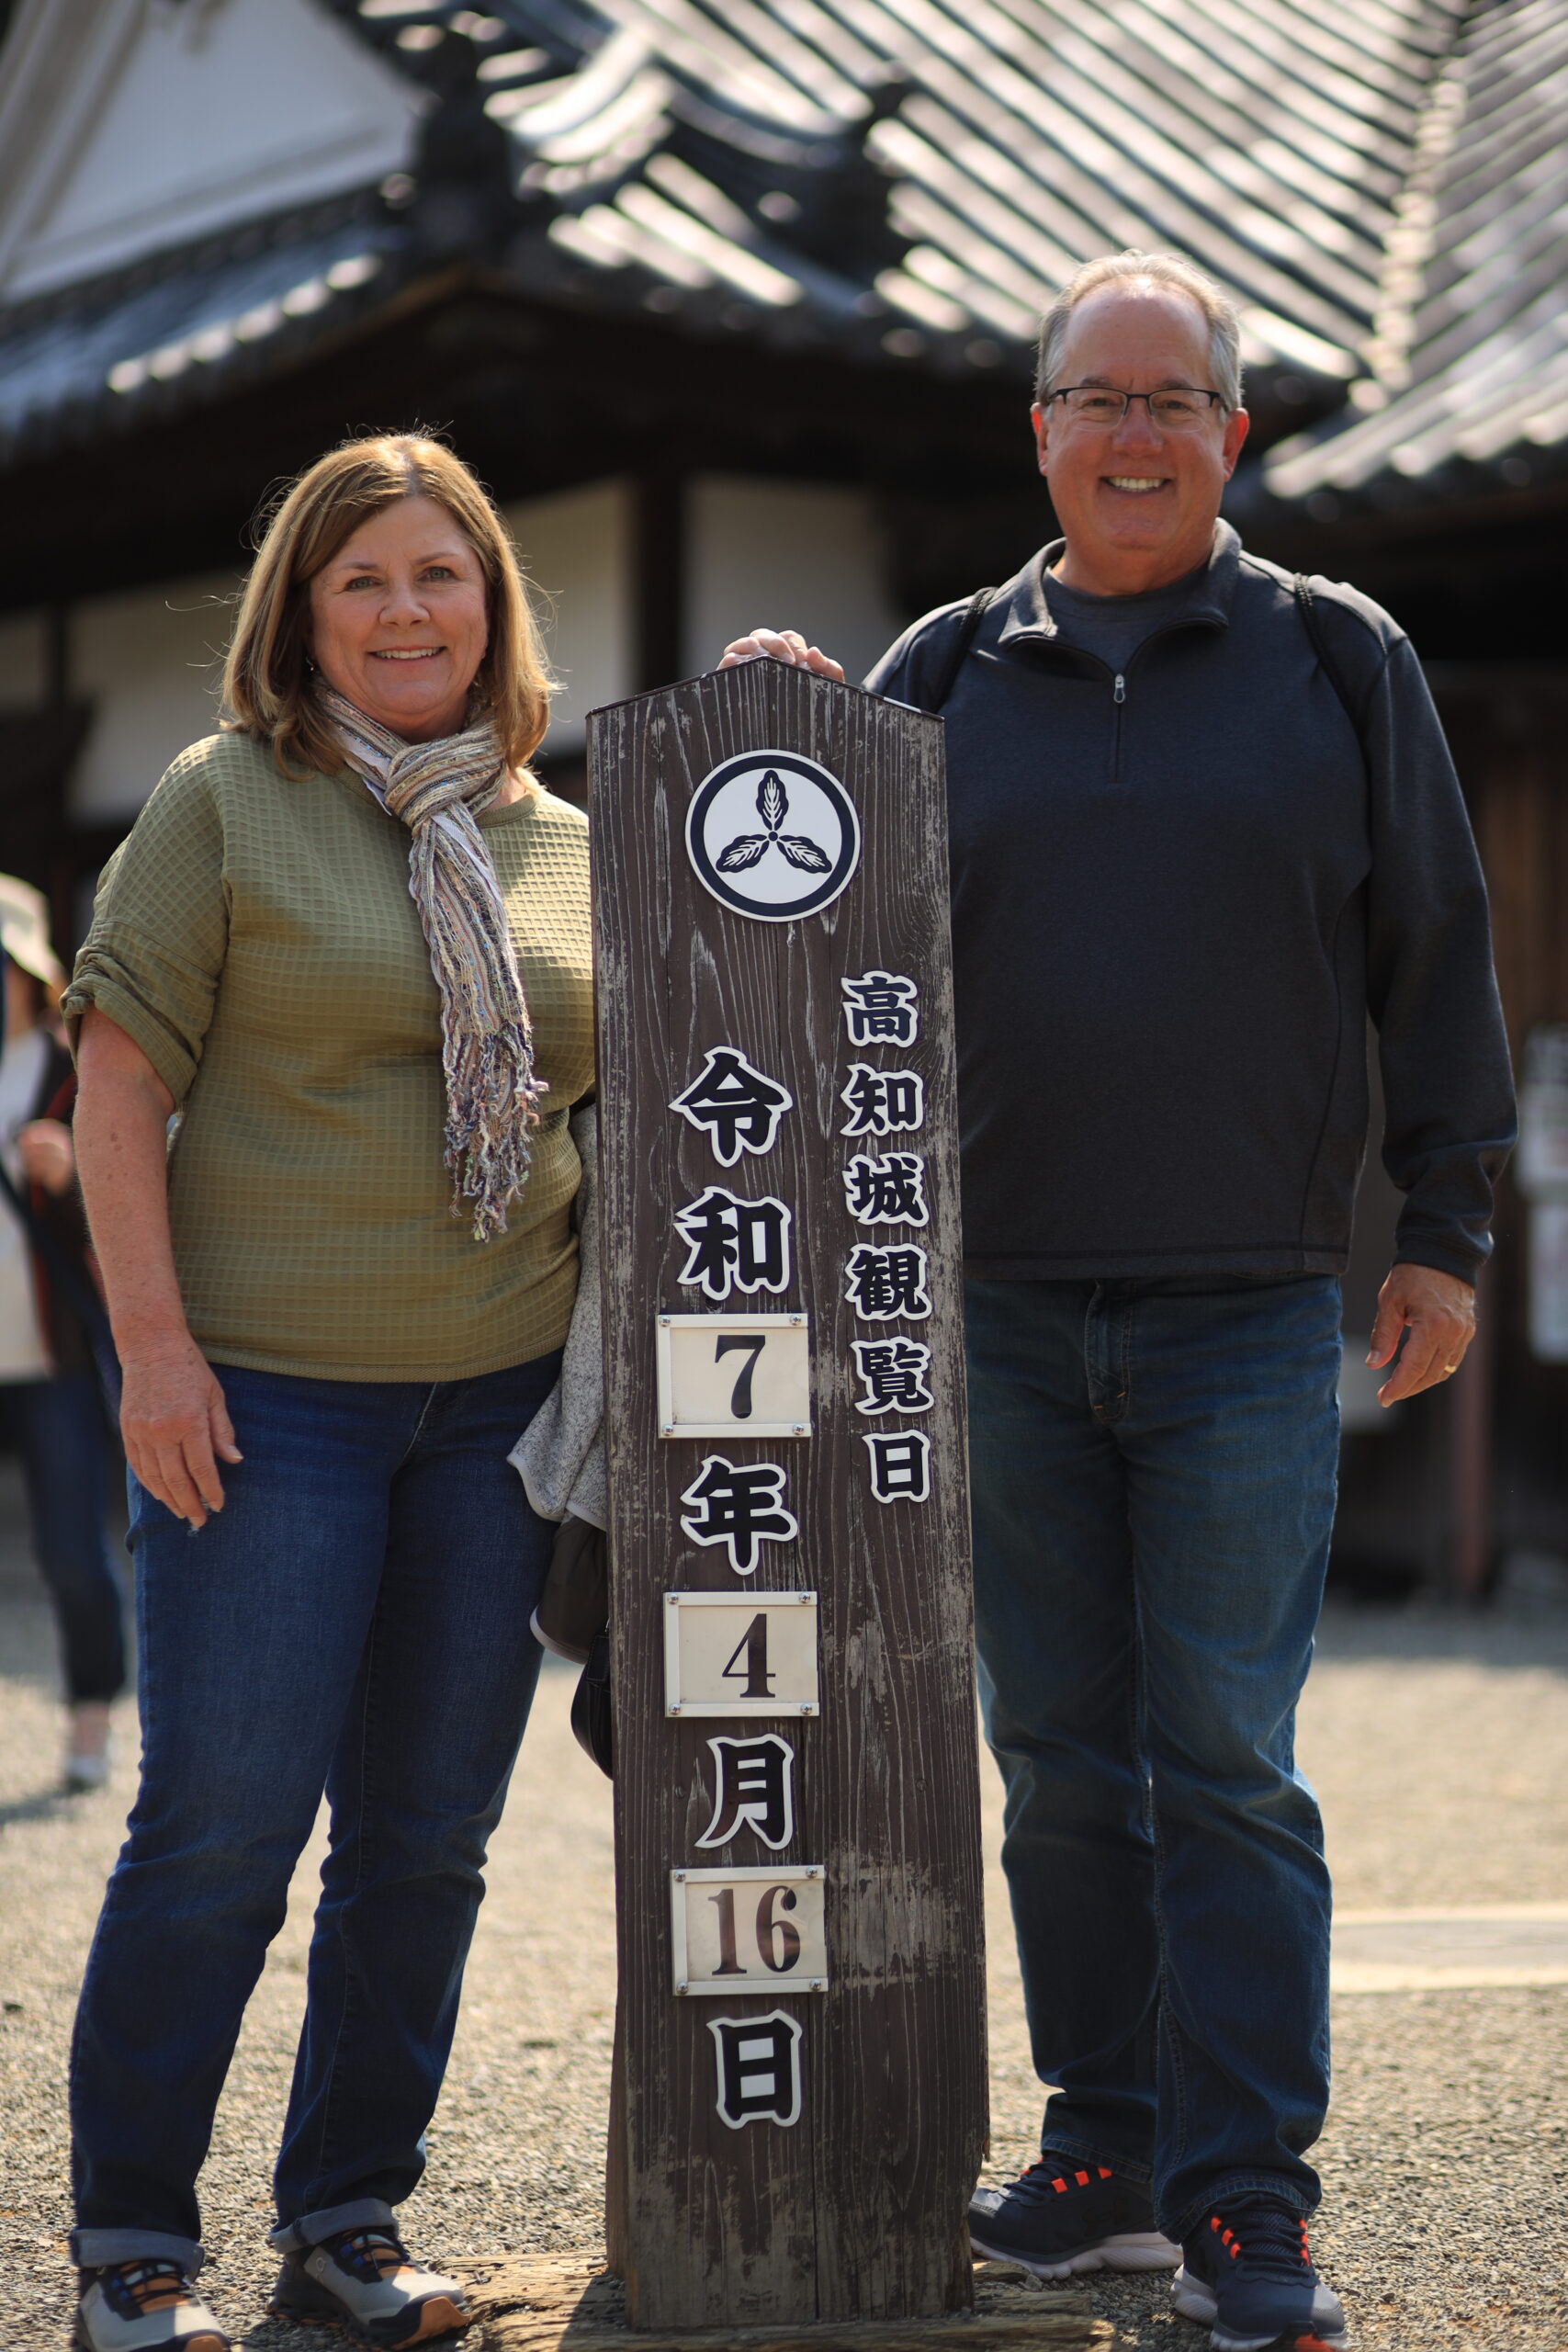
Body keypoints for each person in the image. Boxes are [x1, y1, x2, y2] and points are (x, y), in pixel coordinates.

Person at [721, 250, 1516, 2352]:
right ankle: (1100, 2148)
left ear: (1230, 435)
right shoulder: (942, 664)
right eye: (1098, 396)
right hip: (984, 1304)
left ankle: (1244, 2190)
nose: (1135, 432)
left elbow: (1433, 948)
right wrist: (772, 720)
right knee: (1058, 1751)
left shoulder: (1333, 658)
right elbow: (789, 915)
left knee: (1223, 1754)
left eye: (1175, 397)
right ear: (1039, 433)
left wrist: (1441, 1223)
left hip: (1247, 1306)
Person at [62, 435, 592, 2352]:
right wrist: (151, 1350)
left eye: (438, 576)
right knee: (221, 1819)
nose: (401, 611)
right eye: (360, 578)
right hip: (264, 1400)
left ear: (492, 606)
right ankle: (134, 2233)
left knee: (427, 1834)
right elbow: (114, 1090)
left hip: (499, 1409)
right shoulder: (226, 801)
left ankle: (348, 2212)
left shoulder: (565, 838)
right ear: (300, 609)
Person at [0, 876, 126, 1791]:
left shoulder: (73, 1068)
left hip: (56, 1359)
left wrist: (73, 1174)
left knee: (73, 1550)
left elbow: (134, 1210)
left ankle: (90, 1719)